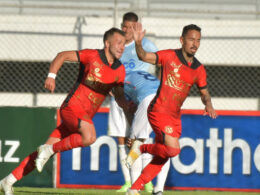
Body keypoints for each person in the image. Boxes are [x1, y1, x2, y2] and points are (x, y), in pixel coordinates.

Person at [0, 27, 128, 195]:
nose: (122, 47)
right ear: (107, 43)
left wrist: (128, 105)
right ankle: (48, 151)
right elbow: (62, 55)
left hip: (82, 117)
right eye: (118, 43)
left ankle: (7, 181)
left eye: (124, 44)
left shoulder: (120, 70)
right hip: (71, 108)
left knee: (42, 153)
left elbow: (119, 96)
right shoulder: (92, 56)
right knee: (89, 137)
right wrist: (51, 76)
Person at [125, 23, 218, 195]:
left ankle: (134, 189)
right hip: (158, 110)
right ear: (182, 40)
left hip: (174, 116)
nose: (195, 44)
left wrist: (208, 104)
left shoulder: (199, 69)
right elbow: (144, 56)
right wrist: (138, 43)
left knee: (163, 156)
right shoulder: (169, 56)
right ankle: (141, 148)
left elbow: (204, 93)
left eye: (198, 40)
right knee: (173, 149)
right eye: (191, 39)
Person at [107, 12, 157, 193]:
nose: (126, 30)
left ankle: (147, 181)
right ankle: (128, 181)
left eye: (130, 27)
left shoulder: (147, 44)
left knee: (142, 137)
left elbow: (159, 65)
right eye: (124, 26)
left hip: (140, 95)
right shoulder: (117, 46)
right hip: (119, 95)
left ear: (137, 27)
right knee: (122, 137)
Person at [121, 70, 171, 195]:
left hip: (150, 99)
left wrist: (133, 135)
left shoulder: (119, 83)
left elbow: (128, 109)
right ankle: (159, 189)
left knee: (135, 145)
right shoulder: (139, 74)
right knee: (166, 147)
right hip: (169, 101)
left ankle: (133, 189)